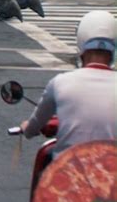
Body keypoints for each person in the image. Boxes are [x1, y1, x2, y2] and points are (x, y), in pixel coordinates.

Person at [20, 10, 116, 157]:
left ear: (81, 45)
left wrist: (28, 128)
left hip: (67, 174)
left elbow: (37, 122)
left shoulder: (60, 83)